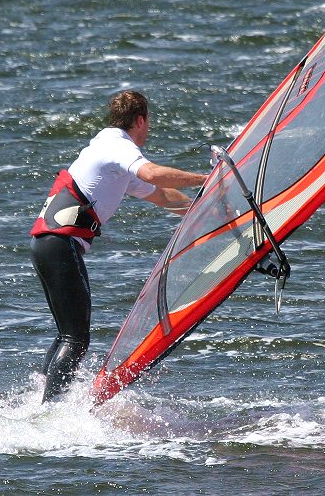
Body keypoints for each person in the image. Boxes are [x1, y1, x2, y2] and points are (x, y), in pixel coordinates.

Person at [29, 90, 208, 403]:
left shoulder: (108, 153)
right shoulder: (117, 146)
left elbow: (160, 194)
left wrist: (209, 210)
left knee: (67, 334)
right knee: (76, 338)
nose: (148, 130)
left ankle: (41, 401)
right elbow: (152, 172)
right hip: (60, 245)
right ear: (140, 120)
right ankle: (50, 411)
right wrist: (207, 177)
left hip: (48, 244)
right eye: (148, 123)